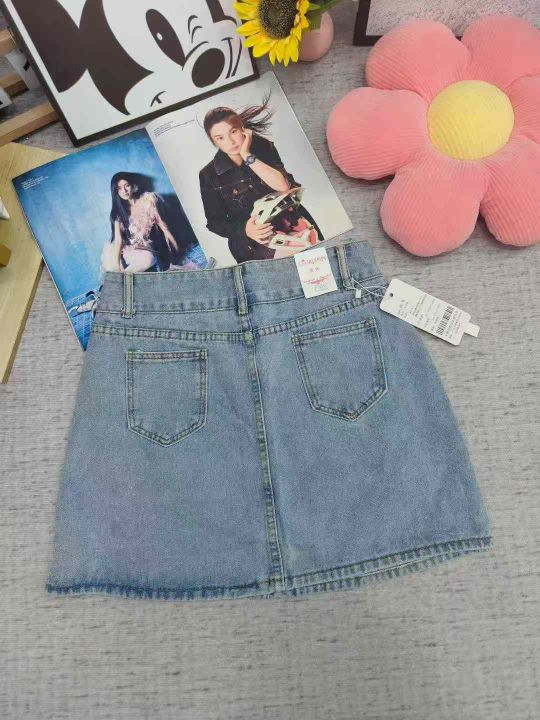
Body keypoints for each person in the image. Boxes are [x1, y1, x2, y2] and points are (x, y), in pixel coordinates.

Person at [199, 96, 323, 263]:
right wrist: (245, 230)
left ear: (243, 129)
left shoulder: (263, 147)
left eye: (233, 132)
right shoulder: (208, 175)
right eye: (220, 138)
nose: (230, 142)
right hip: (252, 241)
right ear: (214, 141)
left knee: (318, 265)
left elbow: (283, 186)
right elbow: (215, 223)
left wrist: (247, 155)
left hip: (291, 221)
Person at [101, 172, 180, 273]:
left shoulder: (147, 202)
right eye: (119, 188)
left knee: (149, 259)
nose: (124, 191)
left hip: (145, 248)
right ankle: (121, 278)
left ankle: (124, 277)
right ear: (116, 192)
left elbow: (164, 227)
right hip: (126, 249)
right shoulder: (118, 212)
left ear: (133, 186)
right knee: (116, 266)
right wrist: (117, 268)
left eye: (126, 185)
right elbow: (118, 240)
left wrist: (175, 247)